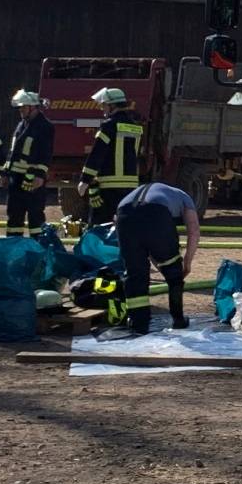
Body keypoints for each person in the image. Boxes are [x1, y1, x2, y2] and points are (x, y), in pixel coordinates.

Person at [94, 180, 201, 340]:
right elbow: (193, 231)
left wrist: (157, 260)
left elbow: (145, 242)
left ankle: (139, 324)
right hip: (155, 214)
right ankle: (178, 319)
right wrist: (186, 263)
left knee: (135, 273)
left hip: (124, 215)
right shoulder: (184, 198)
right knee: (173, 272)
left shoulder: (141, 193)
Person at [76, 87, 145, 228]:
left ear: (112, 105)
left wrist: (85, 179)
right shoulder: (135, 127)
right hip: (131, 185)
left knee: (100, 227)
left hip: (109, 185)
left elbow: (98, 153)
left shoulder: (109, 125)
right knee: (123, 226)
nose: (103, 109)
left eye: (104, 105)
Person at [0, 89, 54, 237]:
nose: (20, 110)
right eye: (20, 107)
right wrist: (5, 172)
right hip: (16, 179)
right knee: (14, 216)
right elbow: (13, 152)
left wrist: (39, 175)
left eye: (23, 107)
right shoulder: (21, 125)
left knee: (35, 216)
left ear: (33, 107)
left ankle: (38, 249)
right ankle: (14, 247)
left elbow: (46, 153)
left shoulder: (45, 126)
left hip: (32, 181)